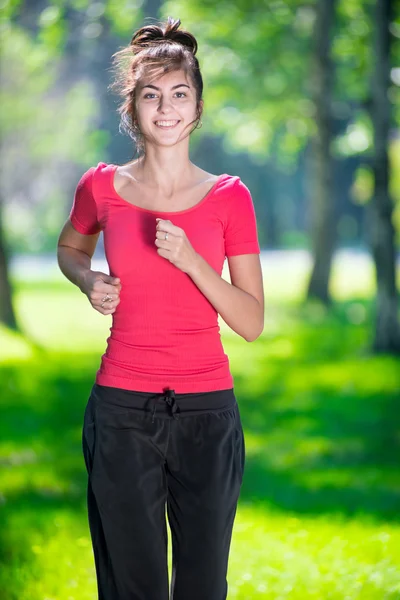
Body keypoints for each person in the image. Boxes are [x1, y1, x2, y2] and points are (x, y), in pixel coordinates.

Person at [57, 16, 264, 600]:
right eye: (152, 96)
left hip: (207, 416)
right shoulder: (100, 187)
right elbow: (70, 247)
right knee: (132, 588)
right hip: (121, 413)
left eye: (180, 95)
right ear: (133, 108)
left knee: (201, 587)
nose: (166, 109)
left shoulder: (230, 197)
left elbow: (250, 323)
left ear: (197, 108)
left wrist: (196, 263)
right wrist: (85, 277)